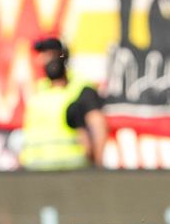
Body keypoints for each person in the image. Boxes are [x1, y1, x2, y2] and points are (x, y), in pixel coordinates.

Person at [20, 37, 108, 170]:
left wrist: (98, 165)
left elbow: (98, 126)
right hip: (37, 168)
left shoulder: (82, 89)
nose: (47, 60)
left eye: (52, 55)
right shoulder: (39, 91)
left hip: (72, 168)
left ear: (63, 57)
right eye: (44, 55)